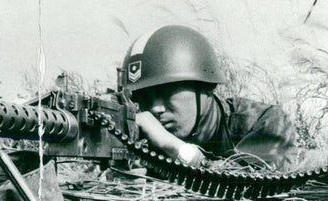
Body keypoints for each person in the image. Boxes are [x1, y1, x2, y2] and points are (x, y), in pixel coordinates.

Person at [119, 25, 297, 170]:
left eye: (166, 93)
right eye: (144, 98)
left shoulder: (265, 122)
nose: (155, 108)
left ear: (207, 88)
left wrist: (174, 148)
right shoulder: (146, 141)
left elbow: (251, 184)